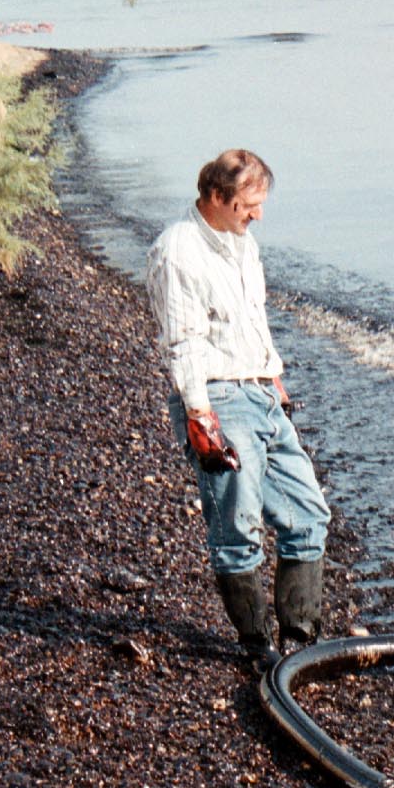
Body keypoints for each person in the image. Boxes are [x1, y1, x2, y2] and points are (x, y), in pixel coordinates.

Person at [145, 148, 332, 670]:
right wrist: (201, 419)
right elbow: (182, 343)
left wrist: (274, 376)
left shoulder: (242, 243)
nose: (258, 214)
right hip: (220, 399)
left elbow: (253, 317)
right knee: (238, 528)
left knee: (308, 514)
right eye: (250, 203)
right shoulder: (177, 252)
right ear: (216, 197)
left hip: (262, 394)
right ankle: (258, 648)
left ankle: (300, 640)